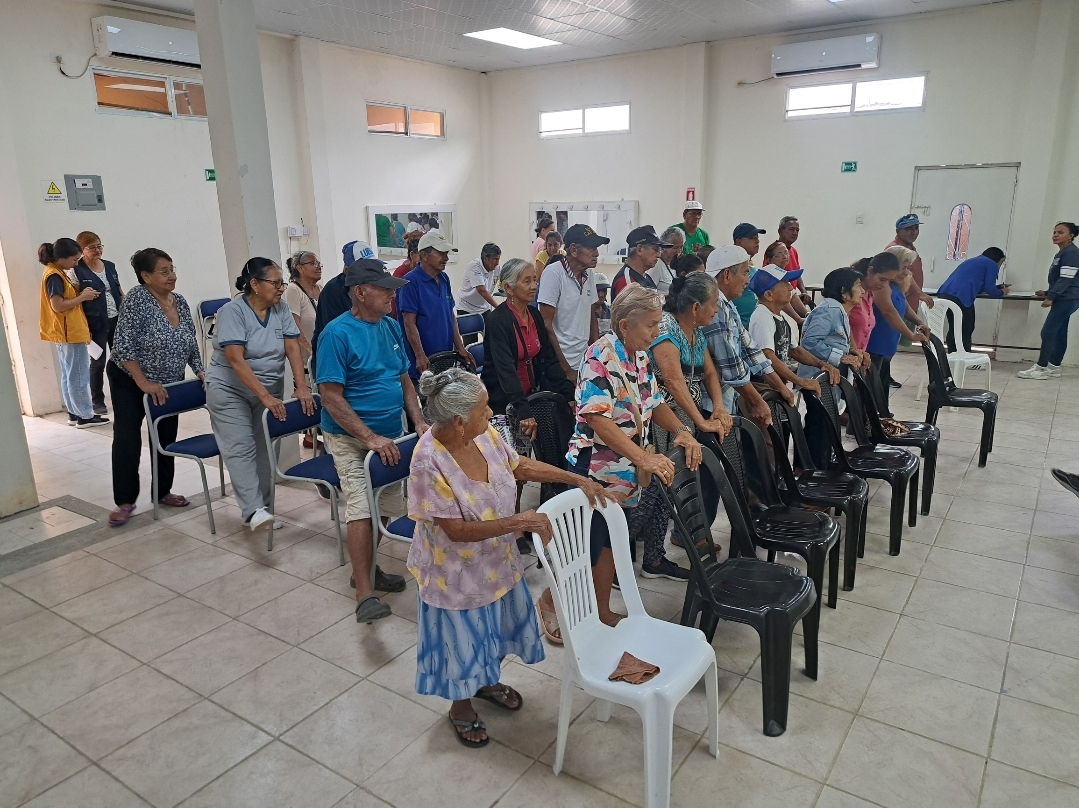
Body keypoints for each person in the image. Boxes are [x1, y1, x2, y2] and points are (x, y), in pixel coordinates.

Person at [407, 367, 612, 748]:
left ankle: (486, 682)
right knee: (463, 643)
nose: (491, 414)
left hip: (495, 560)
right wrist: (519, 522)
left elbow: (517, 465)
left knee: (494, 630)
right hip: (455, 574)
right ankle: (461, 707)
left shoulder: (483, 433)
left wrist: (576, 479)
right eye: (484, 409)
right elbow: (456, 531)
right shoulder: (427, 460)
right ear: (459, 421)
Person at [542, 286, 700, 636]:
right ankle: (551, 601)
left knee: (611, 539)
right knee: (584, 545)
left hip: (623, 467)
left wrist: (681, 431)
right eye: (651, 325)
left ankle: (600, 609)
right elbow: (597, 418)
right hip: (595, 465)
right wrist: (644, 457)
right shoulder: (600, 355)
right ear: (625, 325)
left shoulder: (639, 356)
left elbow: (654, 402)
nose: (657, 332)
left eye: (658, 324)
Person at [316, 259, 425, 622]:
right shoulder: (336, 334)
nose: (392, 295)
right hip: (350, 436)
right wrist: (369, 437)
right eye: (384, 289)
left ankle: (368, 568)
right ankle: (364, 593)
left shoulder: (390, 326)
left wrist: (418, 420)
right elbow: (330, 397)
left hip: (390, 433)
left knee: (385, 505)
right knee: (362, 507)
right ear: (361, 292)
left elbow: (404, 379)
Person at [205, 258, 315, 531]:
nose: (281, 288)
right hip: (230, 390)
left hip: (269, 389)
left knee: (266, 448)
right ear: (254, 284)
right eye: (275, 283)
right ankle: (253, 510)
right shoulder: (232, 312)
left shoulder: (280, 308)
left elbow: (292, 347)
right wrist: (264, 396)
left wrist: (301, 386)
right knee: (240, 447)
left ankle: (264, 509)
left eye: (282, 283)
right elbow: (235, 358)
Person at [107, 248, 203, 527]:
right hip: (130, 379)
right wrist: (143, 382)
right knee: (127, 438)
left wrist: (199, 369)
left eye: (172, 270)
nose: (172, 276)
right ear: (146, 276)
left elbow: (189, 340)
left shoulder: (179, 301)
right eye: (164, 271)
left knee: (164, 436)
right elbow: (123, 345)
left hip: (168, 381)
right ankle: (125, 501)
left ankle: (162, 491)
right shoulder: (137, 299)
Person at [482, 258, 574, 455]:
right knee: (509, 461)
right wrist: (523, 410)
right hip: (504, 400)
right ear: (509, 288)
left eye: (534, 279)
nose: (534, 286)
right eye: (527, 281)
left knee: (528, 456)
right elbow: (505, 370)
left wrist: (568, 392)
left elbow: (548, 359)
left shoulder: (534, 314)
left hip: (530, 396)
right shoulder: (498, 320)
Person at [703, 246, 793, 431]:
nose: (748, 280)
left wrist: (780, 387)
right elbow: (731, 365)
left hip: (726, 394)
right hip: (710, 402)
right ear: (726, 275)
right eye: (745, 273)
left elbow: (750, 349)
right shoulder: (716, 306)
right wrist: (757, 402)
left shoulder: (727, 304)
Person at [648, 272, 732, 454]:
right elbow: (673, 381)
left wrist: (719, 407)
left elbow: (709, 373)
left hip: (688, 416)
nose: (716, 310)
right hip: (666, 420)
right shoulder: (666, 329)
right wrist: (702, 422)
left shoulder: (696, 332)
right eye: (713, 304)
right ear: (695, 307)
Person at [38, 239, 107, 428]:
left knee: (69, 375)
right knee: (78, 376)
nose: (76, 264)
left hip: (66, 332)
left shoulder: (57, 272)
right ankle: (84, 416)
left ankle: (74, 413)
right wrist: (82, 297)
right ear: (62, 258)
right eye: (74, 260)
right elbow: (58, 305)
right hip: (70, 333)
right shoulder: (54, 275)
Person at [397, 232, 475, 378]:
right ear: (424, 255)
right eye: (441, 253)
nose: (446, 258)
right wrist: (420, 355)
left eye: (446, 253)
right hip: (423, 362)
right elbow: (409, 323)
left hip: (445, 358)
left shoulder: (444, 278)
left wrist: (460, 347)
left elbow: (450, 315)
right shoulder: (410, 282)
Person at [746, 265, 831, 398]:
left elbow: (795, 350)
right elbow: (768, 356)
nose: (791, 288)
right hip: (765, 388)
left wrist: (821, 364)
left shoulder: (778, 316)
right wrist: (800, 381)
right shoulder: (762, 316)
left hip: (777, 385)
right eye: (785, 284)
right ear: (769, 294)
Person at [865, 252, 930, 416]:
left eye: (908, 268)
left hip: (887, 340)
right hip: (876, 340)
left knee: (882, 379)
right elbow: (889, 311)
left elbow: (904, 306)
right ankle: (873, 418)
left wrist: (919, 322)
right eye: (903, 267)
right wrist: (911, 335)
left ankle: (882, 414)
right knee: (872, 383)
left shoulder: (894, 285)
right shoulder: (882, 286)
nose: (906, 272)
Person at [537, 223, 603, 383]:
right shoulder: (553, 273)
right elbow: (546, 324)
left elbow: (591, 317)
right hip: (561, 363)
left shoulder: (589, 274)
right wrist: (566, 369)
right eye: (591, 248)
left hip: (584, 361)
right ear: (573, 250)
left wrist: (595, 359)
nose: (597, 253)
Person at [311, 240, 381, 378]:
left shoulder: (373, 286)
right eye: (365, 267)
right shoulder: (333, 291)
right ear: (347, 269)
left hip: (370, 360)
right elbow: (336, 339)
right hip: (340, 366)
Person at [1018, 222, 1079, 379]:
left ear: (1071, 236)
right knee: (1059, 332)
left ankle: (1041, 368)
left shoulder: (1071, 253)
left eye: (1060, 232)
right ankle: (1054, 366)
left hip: (1067, 298)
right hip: (1065, 297)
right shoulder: (1062, 253)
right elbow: (1063, 278)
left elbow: (1066, 279)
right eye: (1054, 232)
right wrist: (1047, 292)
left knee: (1048, 332)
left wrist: (1051, 296)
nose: (1055, 235)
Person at [74, 231, 123, 416]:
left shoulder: (109, 266)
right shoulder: (76, 270)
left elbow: (118, 291)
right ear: (82, 250)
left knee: (121, 360)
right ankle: (98, 401)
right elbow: (75, 298)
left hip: (116, 318)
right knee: (98, 362)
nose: (97, 250)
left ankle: (121, 397)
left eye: (99, 246)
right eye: (92, 247)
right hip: (95, 322)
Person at [797, 267, 870, 381]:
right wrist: (840, 357)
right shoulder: (829, 310)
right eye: (858, 286)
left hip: (830, 378)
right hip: (818, 379)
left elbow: (833, 341)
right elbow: (810, 342)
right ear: (843, 291)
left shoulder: (838, 310)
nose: (863, 291)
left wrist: (851, 351)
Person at [936, 248, 1008, 352]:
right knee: (967, 328)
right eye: (1002, 262)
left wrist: (999, 287)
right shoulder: (992, 264)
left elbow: (980, 286)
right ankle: (965, 356)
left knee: (954, 327)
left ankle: (952, 355)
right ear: (999, 259)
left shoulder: (974, 260)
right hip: (961, 296)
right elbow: (989, 289)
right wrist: (1002, 292)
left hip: (946, 293)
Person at [889, 214, 935, 313]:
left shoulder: (910, 247)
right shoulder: (895, 249)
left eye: (916, 228)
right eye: (908, 229)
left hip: (911, 303)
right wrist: (919, 293)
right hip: (899, 305)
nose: (914, 232)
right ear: (898, 231)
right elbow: (902, 274)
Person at [284, 250, 323, 364]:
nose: (318, 267)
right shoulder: (293, 290)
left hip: (324, 355)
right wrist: (312, 352)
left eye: (318, 263)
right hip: (307, 361)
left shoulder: (322, 289)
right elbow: (294, 327)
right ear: (300, 268)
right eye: (313, 263)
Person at [611, 226, 671, 296]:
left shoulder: (646, 278)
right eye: (655, 249)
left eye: (660, 250)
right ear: (639, 250)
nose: (659, 255)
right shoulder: (626, 281)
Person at [763, 239, 809, 323]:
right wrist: (798, 319)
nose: (784, 256)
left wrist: (807, 314)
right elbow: (781, 299)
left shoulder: (782, 274)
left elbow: (793, 296)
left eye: (786, 253)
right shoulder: (769, 276)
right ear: (769, 260)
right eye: (780, 254)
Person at [731, 222, 767, 326]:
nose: (757, 241)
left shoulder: (749, 264)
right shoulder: (733, 265)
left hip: (752, 326)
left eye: (757, 238)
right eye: (752, 238)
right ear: (739, 242)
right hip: (739, 326)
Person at [457, 243, 502, 315]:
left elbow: (507, 280)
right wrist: (500, 308)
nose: (497, 263)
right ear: (485, 258)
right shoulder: (474, 266)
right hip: (467, 307)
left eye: (498, 259)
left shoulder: (497, 268)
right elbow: (482, 291)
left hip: (484, 308)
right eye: (495, 259)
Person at [647, 227, 685, 294]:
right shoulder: (656, 265)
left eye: (681, 247)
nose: (679, 251)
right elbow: (648, 293)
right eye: (675, 247)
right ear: (664, 246)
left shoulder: (678, 264)